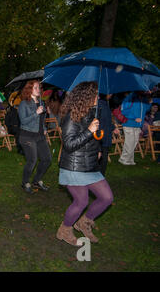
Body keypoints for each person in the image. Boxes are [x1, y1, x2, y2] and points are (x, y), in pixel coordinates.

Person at [56, 82, 113, 247]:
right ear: (86, 97)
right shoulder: (71, 116)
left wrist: (98, 148)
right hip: (73, 166)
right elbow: (69, 144)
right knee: (81, 201)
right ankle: (65, 229)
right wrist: (89, 131)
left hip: (90, 164)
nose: (98, 98)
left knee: (107, 197)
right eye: (95, 95)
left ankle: (84, 222)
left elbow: (92, 138)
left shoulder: (92, 113)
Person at [17, 80, 51, 194]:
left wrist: (44, 129)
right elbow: (23, 121)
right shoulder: (24, 104)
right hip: (27, 136)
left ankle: (37, 180)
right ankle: (25, 182)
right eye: (35, 88)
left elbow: (41, 121)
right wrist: (36, 113)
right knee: (32, 160)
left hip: (40, 136)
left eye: (39, 87)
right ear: (29, 90)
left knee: (47, 159)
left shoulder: (41, 103)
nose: (38, 90)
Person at [118, 92, 151, 165]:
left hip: (138, 125)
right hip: (129, 123)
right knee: (130, 142)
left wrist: (150, 102)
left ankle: (129, 159)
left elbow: (146, 109)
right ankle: (124, 159)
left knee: (134, 142)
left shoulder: (143, 99)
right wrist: (134, 118)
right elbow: (123, 111)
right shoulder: (130, 97)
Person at [97, 94, 119, 176]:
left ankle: (100, 177)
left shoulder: (106, 105)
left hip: (104, 135)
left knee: (103, 158)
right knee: (101, 158)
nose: (111, 95)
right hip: (100, 136)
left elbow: (108, 120)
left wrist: (113, 128)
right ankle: (98, 178)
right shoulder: (99, 105)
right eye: (109, 94)